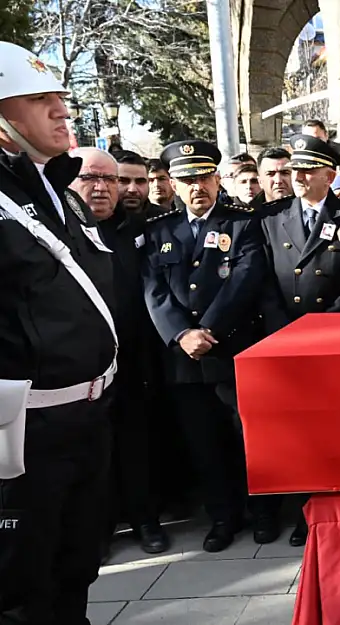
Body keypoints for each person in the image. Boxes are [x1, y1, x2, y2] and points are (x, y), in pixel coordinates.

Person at [0, 42, 119, 623]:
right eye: (40, 99)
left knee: (77, 566)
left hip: (86, 418)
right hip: (25, 433)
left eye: (63, 99)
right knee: (27, 584)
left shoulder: (54, 189)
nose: (60, 110)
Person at [141, 140, 269, 553]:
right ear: (173, 185)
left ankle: (263, 513)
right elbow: (153, 291)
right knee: (204, 444)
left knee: (246, 437)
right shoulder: (158, 230)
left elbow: (246, 280)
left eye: (203, 176)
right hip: (185, 360)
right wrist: (182, 334)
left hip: (231, 350)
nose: (197, 186)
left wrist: (208, 329)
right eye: (186, 179)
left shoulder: (243, 223)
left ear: (217, 179)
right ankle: (222, 518)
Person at [257, 135, 340, 546]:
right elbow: (263, 280)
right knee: (299, 431)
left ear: (330, 174)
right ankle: (305, 511)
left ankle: (337, 505)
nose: (297, 176)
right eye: (294, 169)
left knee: (336, 428)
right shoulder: (271, 218)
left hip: (334, 341)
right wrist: (286, 330)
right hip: (288, 341)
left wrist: (324, 327)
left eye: (308, 169)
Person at [69, 149, 170, 557]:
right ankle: (99, 529)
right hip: (77, 367)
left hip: (132, 360)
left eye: (110, 180)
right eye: (90, 178)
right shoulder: (54, 232)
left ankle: (145, 520)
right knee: (89, 451)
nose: (102, 188)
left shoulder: (137, 230)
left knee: (134, 443)